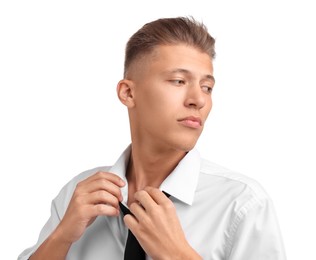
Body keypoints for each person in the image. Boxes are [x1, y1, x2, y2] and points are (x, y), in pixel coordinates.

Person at [18, 16, 286, 260]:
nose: (198, 100)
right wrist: (61, 237)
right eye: (179, 81)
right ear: (128, 93)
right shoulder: (77, 195)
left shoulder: (242, 204)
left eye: (207, 87)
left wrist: (178, 255)